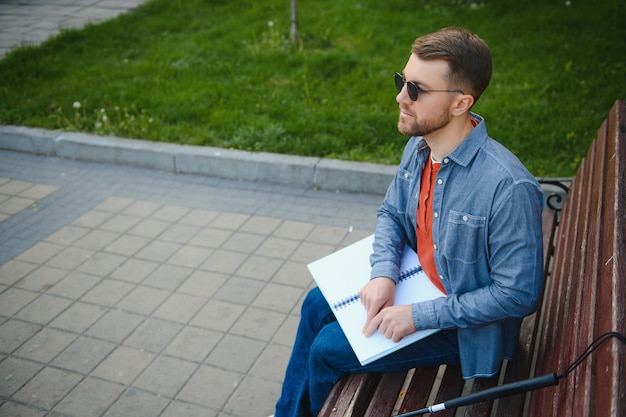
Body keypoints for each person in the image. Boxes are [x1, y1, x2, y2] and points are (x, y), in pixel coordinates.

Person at [272, 27, 544, 417]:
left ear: (460, 103)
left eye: (416, 89)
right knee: (316, 302)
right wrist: (383, 273)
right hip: (420, 285)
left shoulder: (507, 187)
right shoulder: (418, 148)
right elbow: (391, 214)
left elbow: (518, 295)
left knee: (327, 349)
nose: (401, 97)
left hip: (466, 327)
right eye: (402, 81)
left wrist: (417, 316)